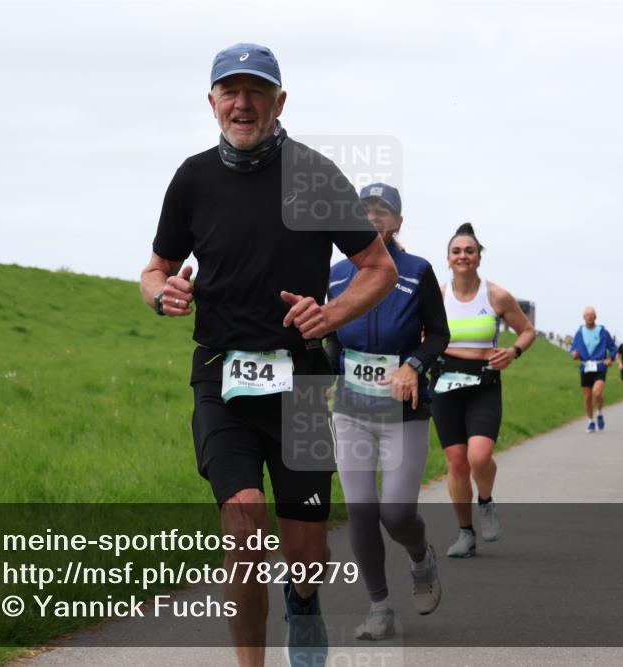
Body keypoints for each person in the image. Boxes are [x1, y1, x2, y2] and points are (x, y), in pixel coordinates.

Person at [140, 43, 396, 667]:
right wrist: (163, 294)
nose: (242, 103)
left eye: (256, 91)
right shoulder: (193, 178)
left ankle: (302, 602)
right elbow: (154, 270)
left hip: (303, 385)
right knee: (246, 522)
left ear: (280, 102)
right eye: (230, 91)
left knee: (306, 550)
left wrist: (330, 314)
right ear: (212, 103)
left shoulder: (313, 174)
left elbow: (377, 268)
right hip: (220, 378)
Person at [326, 184, 449, 640]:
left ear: (398, 222)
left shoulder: (417, 272)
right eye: (365, 211)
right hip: (352, 407)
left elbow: (438, 335)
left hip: (403, 409)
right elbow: (333, 336)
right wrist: (325, 371)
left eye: (383, 211)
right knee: (360, 509)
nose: (374, 217)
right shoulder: (338, 274)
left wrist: (414, 366)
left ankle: (420, 557)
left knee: (396, 513)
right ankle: (379, 607)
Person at [432, 224, 535, 558]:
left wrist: (513, 351)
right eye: (457, 251)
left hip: (484, 382)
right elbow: (420, 331)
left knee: (479, 456)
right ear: (448, 258)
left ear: (479, 257)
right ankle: (465, 532)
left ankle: (486, 502)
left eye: (470, 250)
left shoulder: (496, 296)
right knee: (457, 462)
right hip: (445, 382)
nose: (463, 256)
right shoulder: (438, 294)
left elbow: (527, 330)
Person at [569, 307, 617, 433]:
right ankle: (591, 422)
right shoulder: (579, 333)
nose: (589, 317)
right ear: (583, 317)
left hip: (600, 366)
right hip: (585, 367)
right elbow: (573, 349)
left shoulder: (603, 332)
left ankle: (600, 412)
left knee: (597, 392)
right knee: (587, 398)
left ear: (595, 317)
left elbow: (613, 348)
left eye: (591, 315)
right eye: (587, 315)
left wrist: (610, 359)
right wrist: (574, 354)